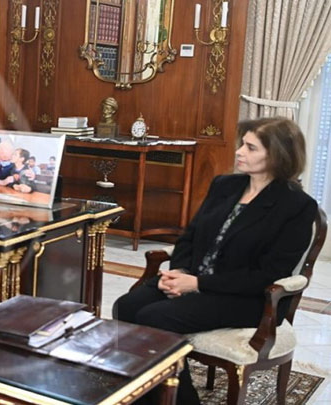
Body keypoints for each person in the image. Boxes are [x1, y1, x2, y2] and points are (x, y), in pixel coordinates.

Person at [112, 117, 317, 404]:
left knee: (154, 318)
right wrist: (179, 271)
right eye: (242, 144)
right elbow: (190, 235)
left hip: (245, 298)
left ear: (278, 155)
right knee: (126, 306)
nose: (239, 152)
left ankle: (181, 400)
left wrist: (197, 284)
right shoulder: (225, 185)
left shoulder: (297, 206)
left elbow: (267, 274)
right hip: (192, 278)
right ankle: (145, 395)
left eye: (250, 148)